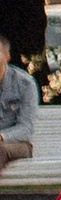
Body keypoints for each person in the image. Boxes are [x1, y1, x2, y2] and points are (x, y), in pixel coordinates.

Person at [0, 38, 35, 171]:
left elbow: (26, 127)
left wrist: (2, 136)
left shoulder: (25, 83)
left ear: (7, 56)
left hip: (17, 143)